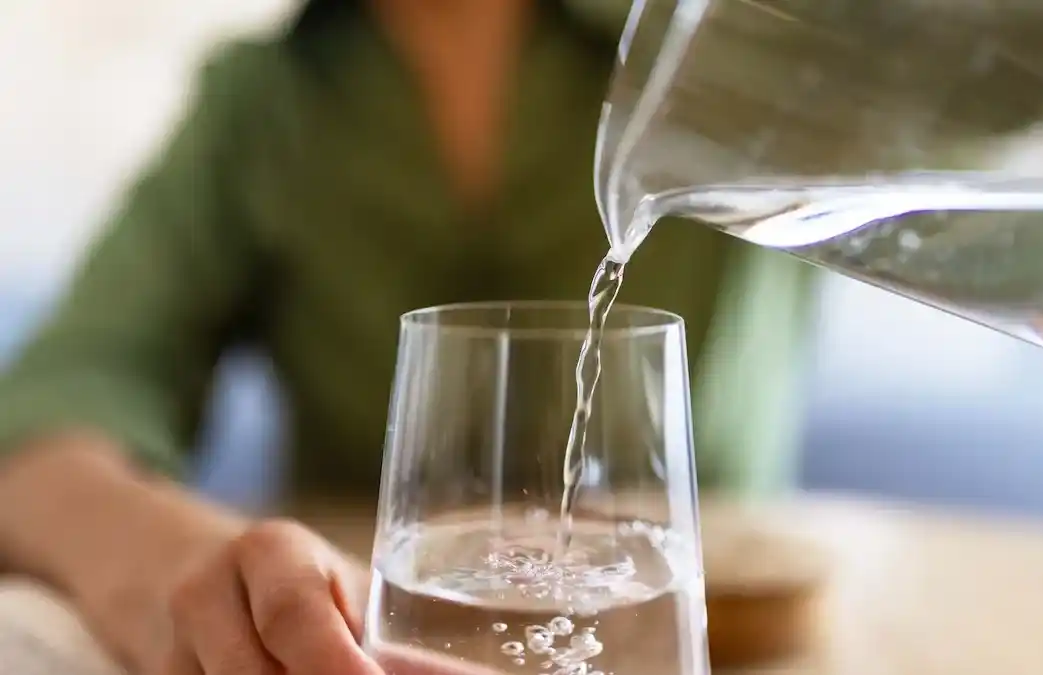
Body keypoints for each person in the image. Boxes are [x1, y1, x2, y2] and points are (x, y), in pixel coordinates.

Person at [0, 1, 816, 674]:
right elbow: (45, 416)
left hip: (757, 642)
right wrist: (185, 567)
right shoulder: (265, 102)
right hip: (353, 649)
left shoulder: (738, 43)